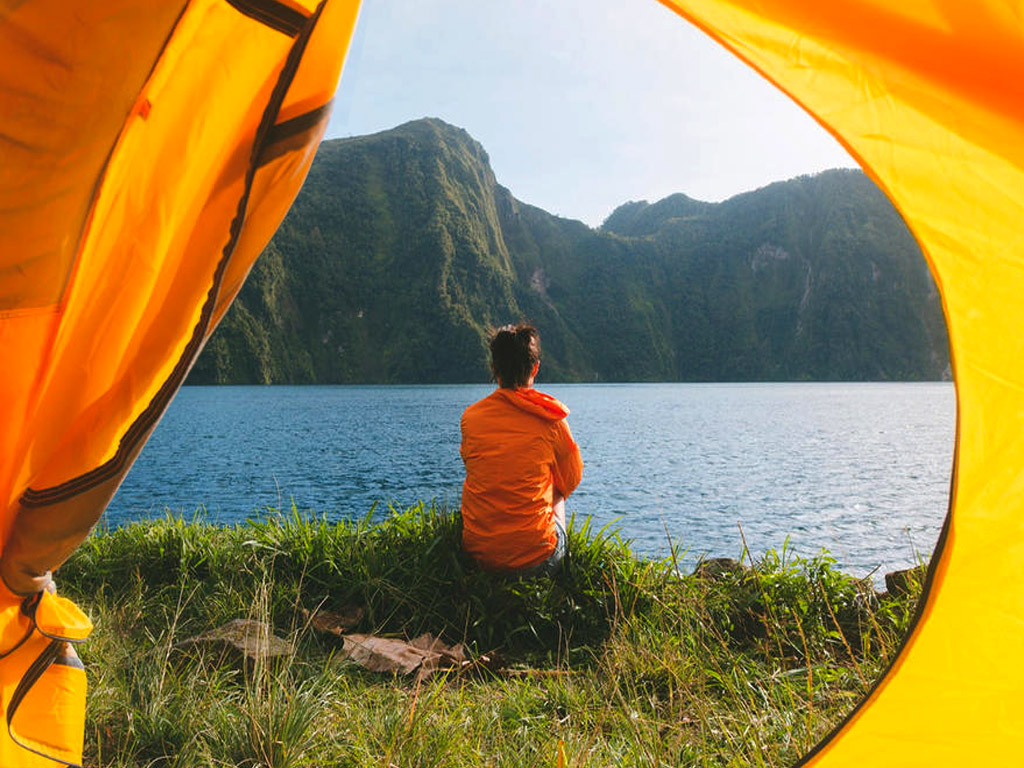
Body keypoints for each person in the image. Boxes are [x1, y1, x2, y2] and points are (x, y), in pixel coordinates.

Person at [460, 323, 583, 576]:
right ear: (535, 368)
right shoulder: (552, 420)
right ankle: (561, 572)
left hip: (478, 556)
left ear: (494, 369)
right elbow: (570, 480)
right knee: (556, 486)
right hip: (536, 562)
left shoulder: (471, 418)